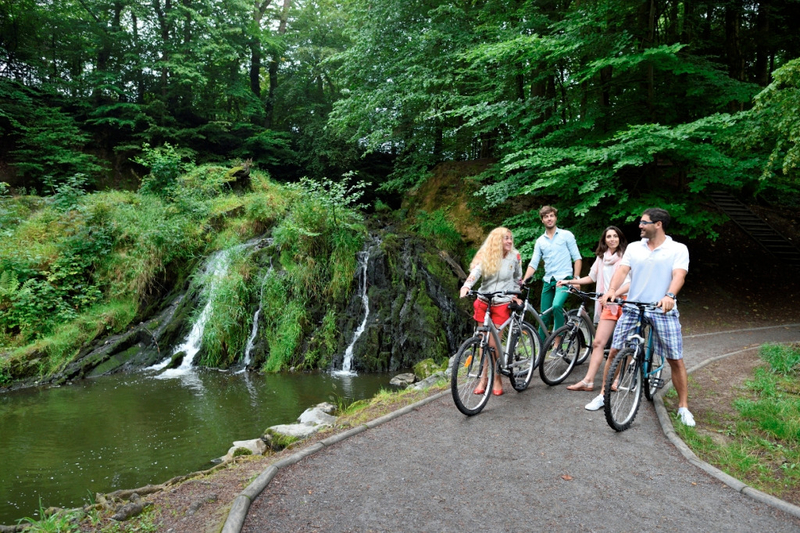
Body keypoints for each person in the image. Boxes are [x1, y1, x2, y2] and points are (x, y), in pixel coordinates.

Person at [594, 208, 695, 426]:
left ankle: (684, 407)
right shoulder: (633, 247)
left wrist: (669, 296)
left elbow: (679, 275)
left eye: (644, 222)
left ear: (658, 224)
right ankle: (604, 395)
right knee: (614, 351)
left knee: (675, 358)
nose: (640, 225)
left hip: (662, 308)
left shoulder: (677, 249)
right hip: (633, 306)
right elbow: (622, 271)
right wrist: (612, 290)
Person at [557, 226, 630, 394]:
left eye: (615, 236)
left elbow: (629, 282)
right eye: (608, 236)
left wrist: (613, 293)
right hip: (608, 304)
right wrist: (570, 282)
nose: (612, 239)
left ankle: (618, 378)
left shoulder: (627, 257)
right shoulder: (602, 258)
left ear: (620, 238)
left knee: (622, 344)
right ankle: (588, 381)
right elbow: (592, 278)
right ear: (604, 240)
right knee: (598, 343)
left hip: (625, 302)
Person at [460, 227, 522, 396]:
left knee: (494, 345)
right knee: (482, 342)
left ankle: (497, 377)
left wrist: (515, 294)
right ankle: (483, 378)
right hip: (483, 301)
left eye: (510, 238)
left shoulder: (515, 257)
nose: (509, 241)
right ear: (497, 241)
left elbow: (518, 278)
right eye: (506, 238)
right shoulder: (486, 255)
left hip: (502, 303)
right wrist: (466, 286)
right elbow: (476, 272)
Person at [524, 206, 582, 339]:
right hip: (548, 281)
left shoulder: (566, 235)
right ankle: (540, 351)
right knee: (543, 315)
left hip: (565, 279)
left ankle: (558, 342)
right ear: (542, 220)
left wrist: (576, 280)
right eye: (546, 217)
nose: (549, 219)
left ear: (555, 217)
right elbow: (533, 264)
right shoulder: (539, 241)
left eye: (551, 216)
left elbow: (577, 258)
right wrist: (523, 281)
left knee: (556, 306)